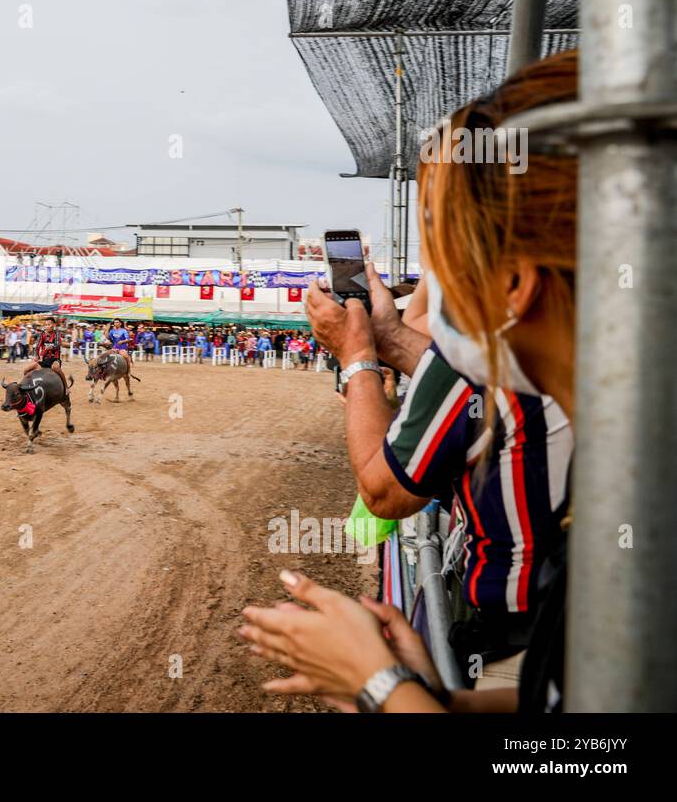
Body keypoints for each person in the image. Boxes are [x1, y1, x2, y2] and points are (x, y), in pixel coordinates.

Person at [240, 50, 580, 713]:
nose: (428, 287)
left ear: (512, 285)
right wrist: (437, 700)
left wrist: (378, 686)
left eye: (441, 259)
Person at [23, 318, 66, 386]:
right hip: (44, 360)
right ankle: (26, 385)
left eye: (49, 324)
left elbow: (57, 345)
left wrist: (51, 347)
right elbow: (37, 346)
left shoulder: (57, 333)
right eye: (46, 325)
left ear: (54, 325)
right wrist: (36, 356)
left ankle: (65, 386)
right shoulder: (42, 334)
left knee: (56, 368)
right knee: (26, 370)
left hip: (55, 359)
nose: (47, 326)